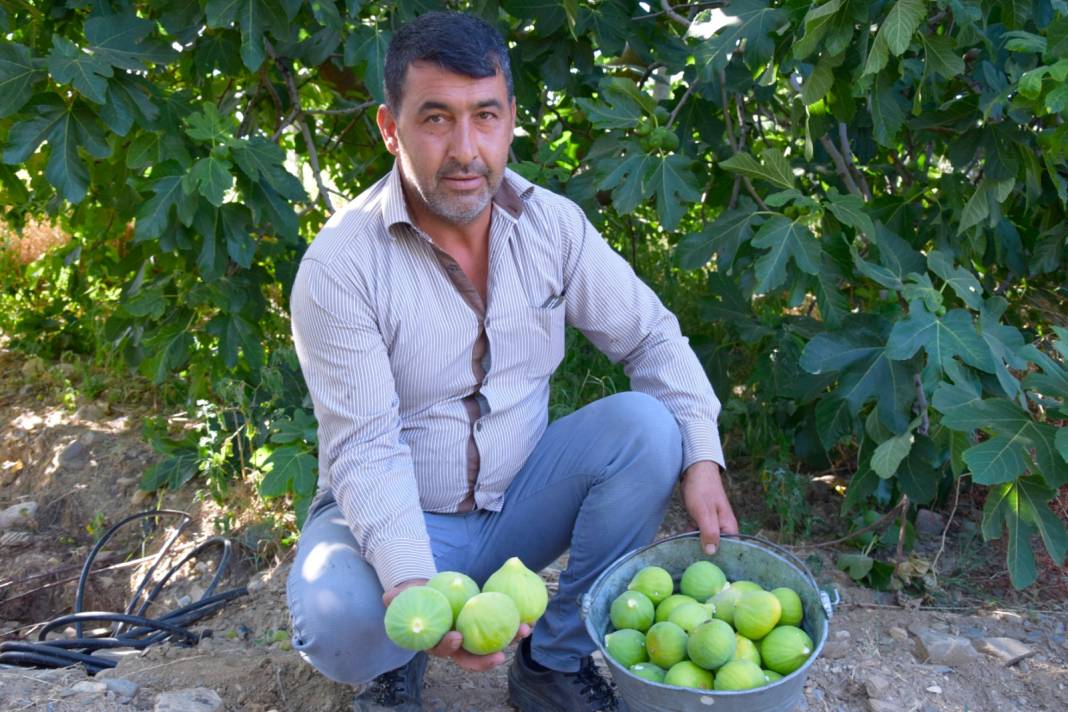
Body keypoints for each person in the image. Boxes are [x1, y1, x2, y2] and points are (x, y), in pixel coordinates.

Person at [286, 10, 737, 712]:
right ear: (389, 127)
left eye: (485, 116)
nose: (466, 149)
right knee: (337, 618)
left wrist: (701, 456)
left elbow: (649, 337)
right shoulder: (341, 265)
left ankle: (552, 662)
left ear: (511, 119)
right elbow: (366, 451)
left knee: (650, 430)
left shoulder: (552, 225)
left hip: (518, 504)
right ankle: (392, 659)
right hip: (401, 519)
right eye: (436, 119)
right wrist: (410, 589)